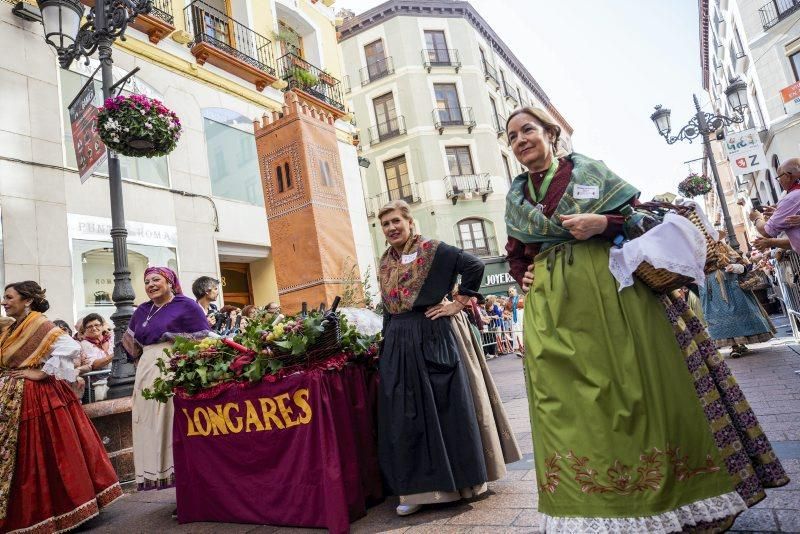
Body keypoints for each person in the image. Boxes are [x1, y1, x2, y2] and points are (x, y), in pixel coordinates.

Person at [504, 107, 788, 531]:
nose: (520, 139)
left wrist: (603, 222)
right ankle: (594, 509)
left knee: (642, 392)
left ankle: (680, 499)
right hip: (553, 307)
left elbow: (641, 220)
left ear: (550, 133)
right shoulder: (516, 199)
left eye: (527, 129)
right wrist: (521, 271)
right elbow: (515, 252)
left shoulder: (590, 172)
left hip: (612, 289)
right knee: (570, 406)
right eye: (511, 136)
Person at [377, 200, 520, 517]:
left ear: (410, 222)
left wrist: (459, 303)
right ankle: (416, 489)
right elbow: (388, 307)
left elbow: (473, 265)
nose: (391, 228)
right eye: (385, 224)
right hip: (400, 342)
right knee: (407, 416)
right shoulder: (385, 261)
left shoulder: (433, 249)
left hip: (433, 334)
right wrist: (385, 346)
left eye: (396, 221)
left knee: (446, 408)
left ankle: (463, 483)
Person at [0, 281, 122, 532]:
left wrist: (42, 373)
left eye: (9, 297)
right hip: (14, 396)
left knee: (48, 451)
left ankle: (63, 509)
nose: (4, 302)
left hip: (37, 396)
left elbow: (70, 346)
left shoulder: (40, 324)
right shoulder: (13, 328)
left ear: (27, 301)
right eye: (4, 297)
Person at [122, 267, 208, 492]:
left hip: (173, 367)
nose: (150, 284)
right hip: (146, 371)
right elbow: (130, 343)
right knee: (149, 424)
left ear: (169, 282)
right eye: (147, 281)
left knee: (171, 423)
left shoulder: (186, 305)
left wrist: (174, 340)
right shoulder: (142, 309)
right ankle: (165, 479)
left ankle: (188, 484)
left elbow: (205, 337)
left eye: (156, 279)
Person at [699, 234, 775, 357]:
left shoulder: (723, 246)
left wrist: (736, 267)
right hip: (711, 286)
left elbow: (743, 264)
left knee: (738, 310)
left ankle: (741, 343)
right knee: (720, 314)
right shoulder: (697, 252)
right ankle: (734, 346)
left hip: (731, 282)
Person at [751, 158, 800, 252]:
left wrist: (756, 218)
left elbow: (766, 232)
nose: (779, 181)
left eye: (779, 177)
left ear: (787, 176)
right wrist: (778, 212)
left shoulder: (791, 198)